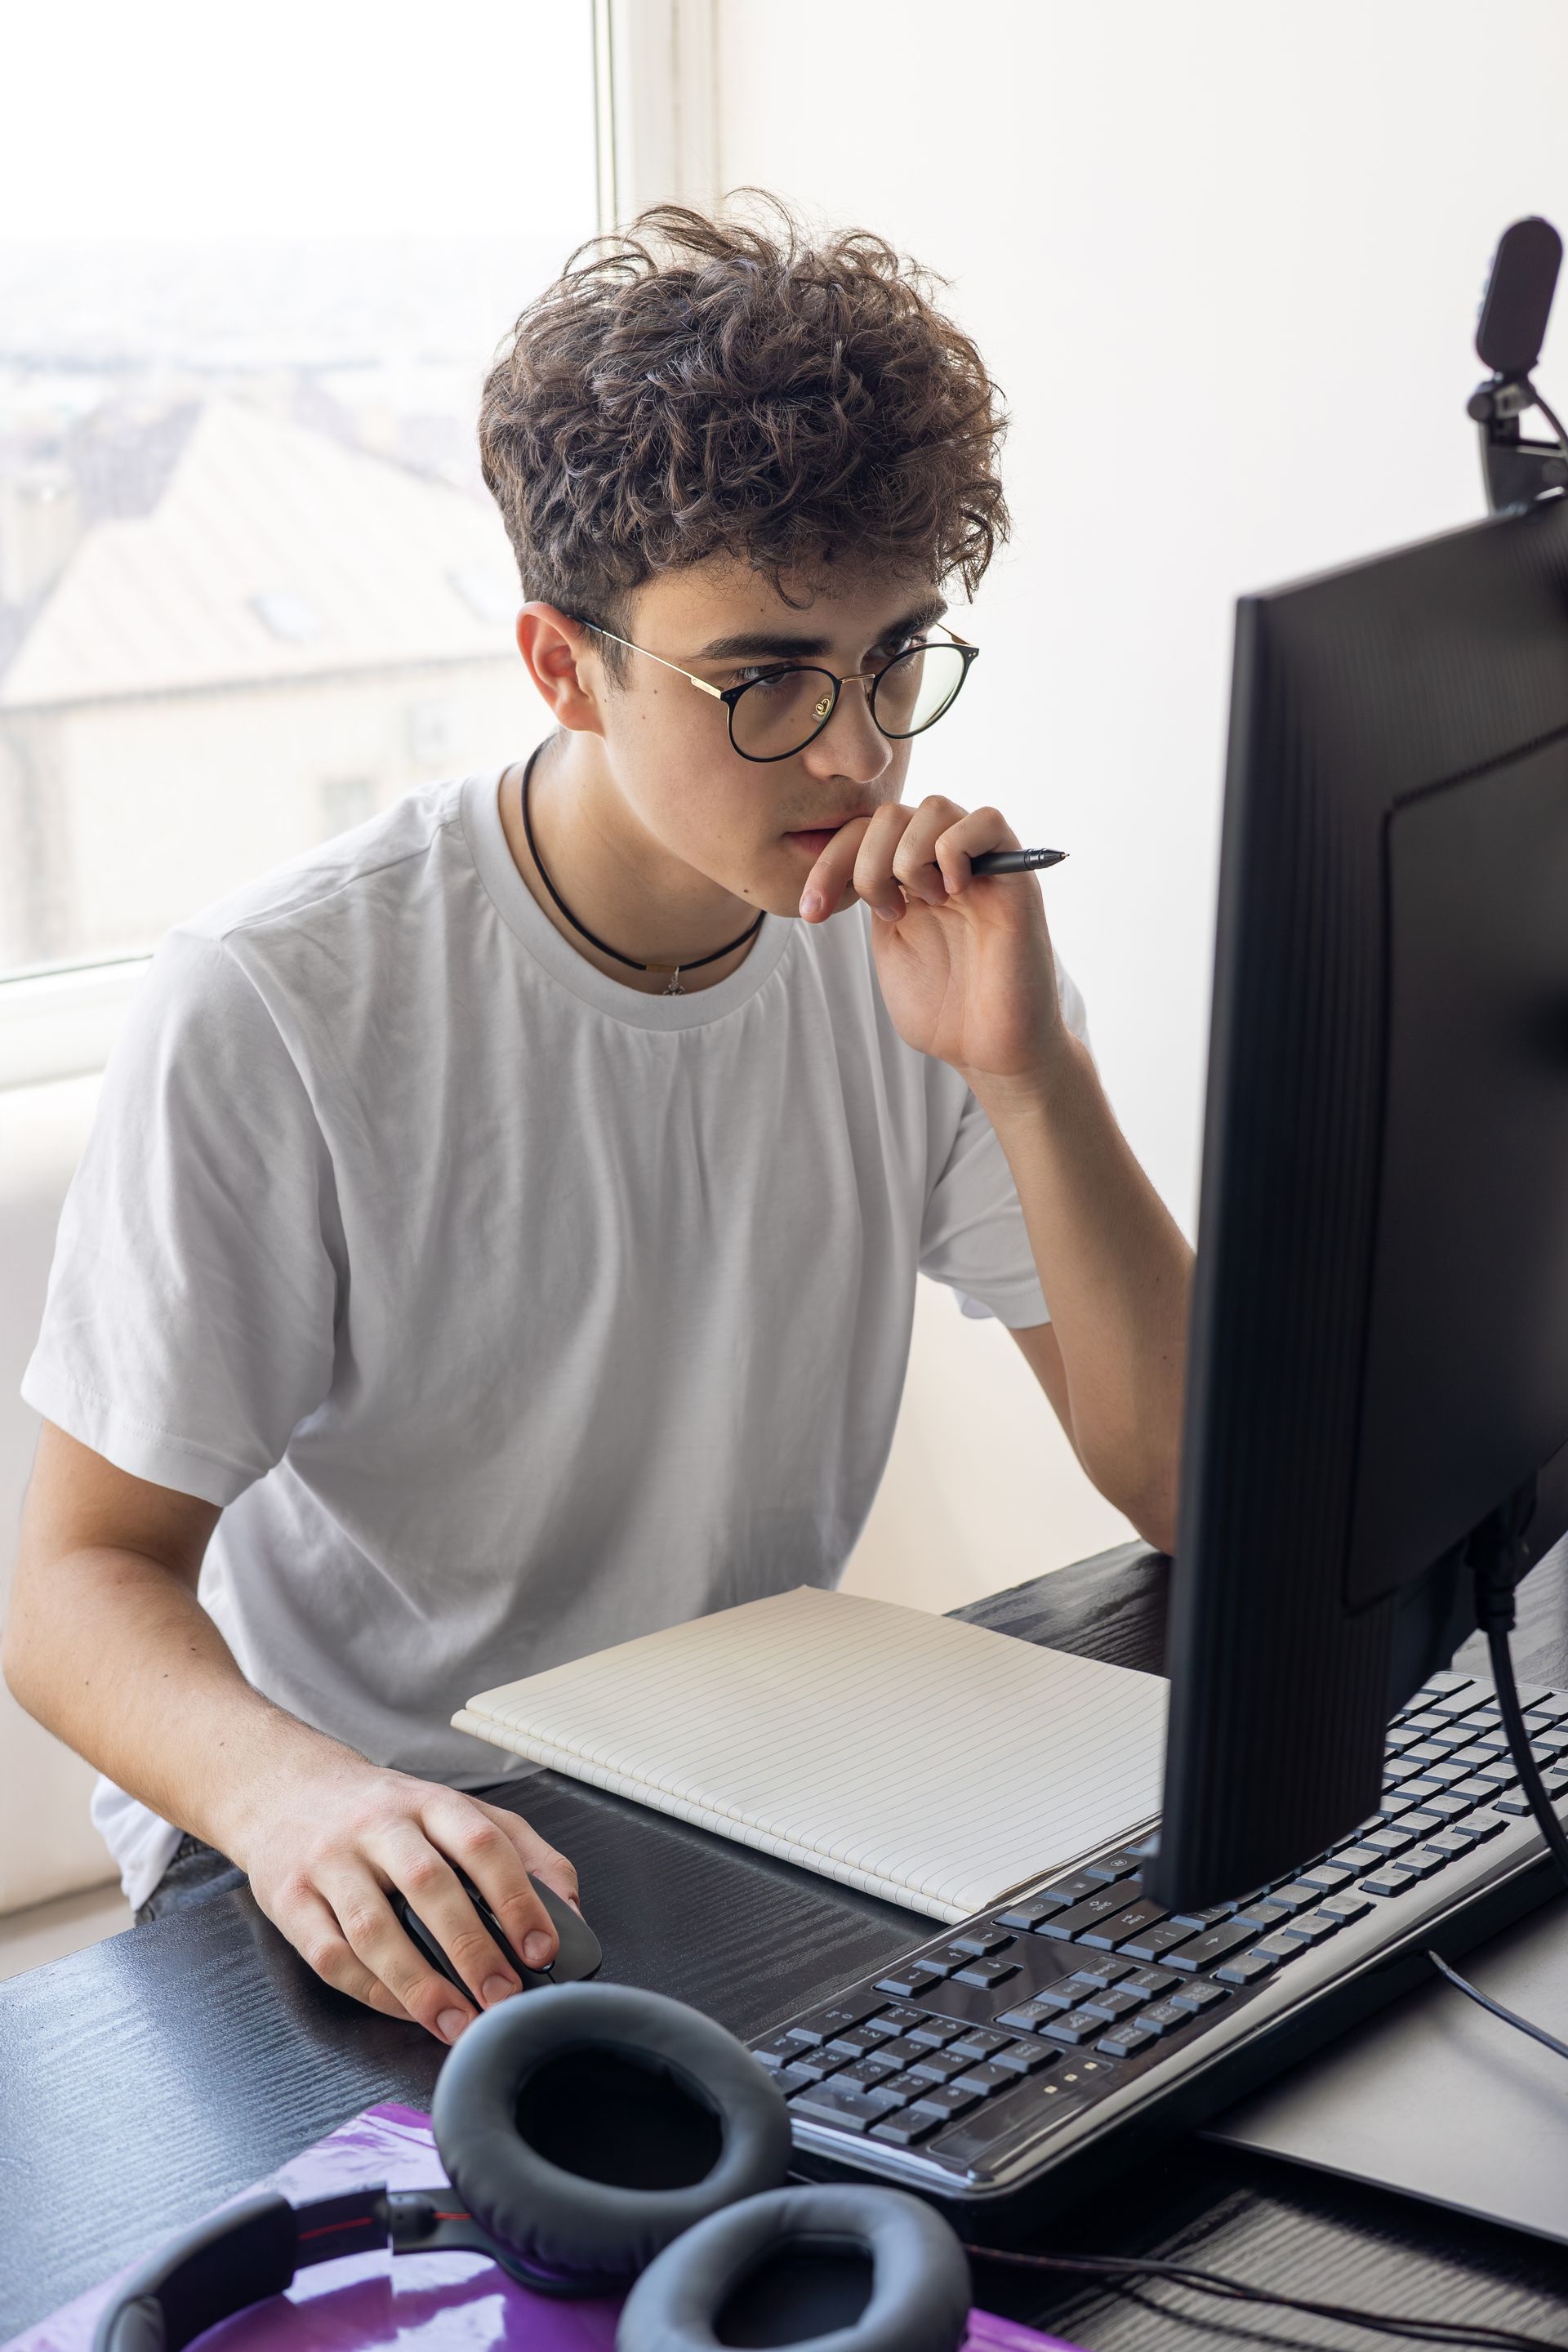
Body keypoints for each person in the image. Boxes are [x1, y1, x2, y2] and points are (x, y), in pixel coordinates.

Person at [3, 203, 1191, 2047]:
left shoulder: (916, 954)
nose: (859, 753)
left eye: (896, 657)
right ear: (564, 667)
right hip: (350, 1840)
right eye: (768, 678)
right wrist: (292, 1796)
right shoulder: (284, 997)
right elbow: (74, 1583)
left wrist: (1029, 1075)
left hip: (733, 1790)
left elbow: (1191, 1485)